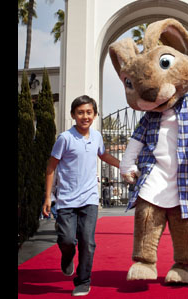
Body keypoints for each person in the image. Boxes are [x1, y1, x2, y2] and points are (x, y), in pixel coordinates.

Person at [42, 95, 120, 297]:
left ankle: (83, 280)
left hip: (89, 199)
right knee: (67, 240)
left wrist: (123, 165)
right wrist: (48, 197)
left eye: (89, 112)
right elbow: (51, 167)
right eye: (80, 112)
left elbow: (103, 154)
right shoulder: (65, 138)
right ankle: (67, 255)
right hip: (66, 199)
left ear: (95, 114)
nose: (85, 116)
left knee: (88, 242)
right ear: (73, 115)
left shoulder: (97, 137)